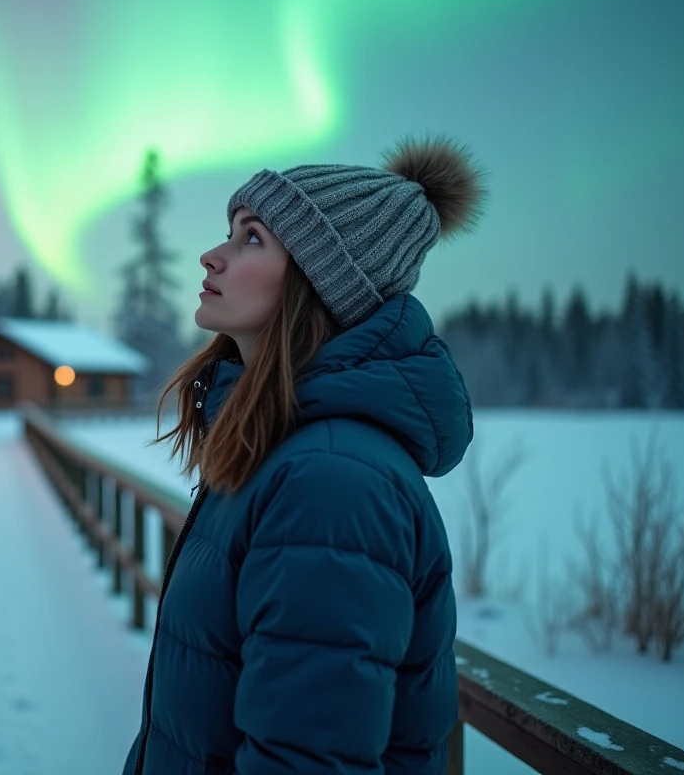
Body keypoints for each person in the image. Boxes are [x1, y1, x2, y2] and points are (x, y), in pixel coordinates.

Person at [122, 135, 487, 775]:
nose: (212, 256)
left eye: (251, 238)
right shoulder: (285, 448)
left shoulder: (331, 481)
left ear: (323, 281)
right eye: (229, 232)